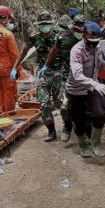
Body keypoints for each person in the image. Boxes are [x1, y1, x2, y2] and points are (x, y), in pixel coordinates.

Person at [10, 11, 66, 142]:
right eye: (42, 25)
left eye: (47, 24)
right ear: (38, 26)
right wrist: (14, 67)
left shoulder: (60, 36)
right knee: (44, 103)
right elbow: (23, 51)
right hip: (43, 73)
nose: (45, 27)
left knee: (60, 103)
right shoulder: (34, 37)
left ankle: (67, 126)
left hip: (58, 71)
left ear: (51, 24)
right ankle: (51, 131)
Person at [65, 21, 105, 158]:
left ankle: (95, 144)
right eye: (91, 41)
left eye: (96, 41)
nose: (94, 44)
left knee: (100, 114)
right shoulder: (77, 50)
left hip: (91, 87)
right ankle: (83, 145)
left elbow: (99, 62)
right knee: (79, 120)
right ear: (84, 36)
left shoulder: (97, 48)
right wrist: (95, 84)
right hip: (76, 90)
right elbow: (77, 75)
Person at [42, 14, 86, 142]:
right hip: (68, 76)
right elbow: (54, 51)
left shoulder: (89, 36)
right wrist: (45, 65)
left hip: (86, 76)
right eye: (76, 29)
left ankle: (85, 133)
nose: (79, 31)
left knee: (87, 107)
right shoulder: (64, 37)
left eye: (81, 29)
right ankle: (67, 125)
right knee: (64, 105)